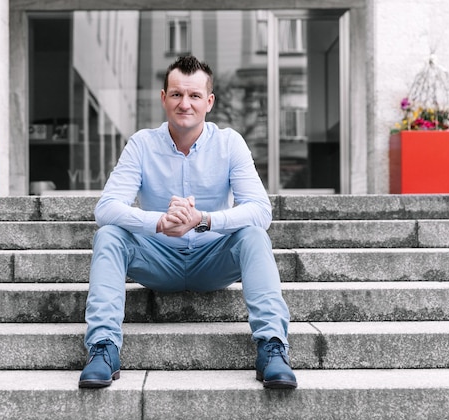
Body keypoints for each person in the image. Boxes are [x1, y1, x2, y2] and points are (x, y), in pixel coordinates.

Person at [78, 55, 297, 389]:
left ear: (209, 102)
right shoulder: (141, 144)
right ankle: (103, 349)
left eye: (194, 96)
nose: (185, 104)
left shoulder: (229, 143)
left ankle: (272, 348)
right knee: (109, 235)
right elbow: (106, 208)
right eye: (177, 94)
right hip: (158, 260)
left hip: (213, 261)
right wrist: (159, 223)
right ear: (163, 98)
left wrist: (204, 220)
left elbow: (260, 210)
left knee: (253, 235)